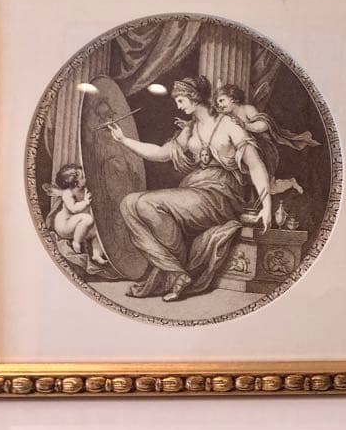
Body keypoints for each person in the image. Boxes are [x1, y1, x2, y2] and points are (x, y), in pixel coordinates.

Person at [106, 75, 273, 303]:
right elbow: (161, 153)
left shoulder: (229, 123)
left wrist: (266, 206)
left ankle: (176, 273)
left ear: (194, 98)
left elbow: (255, 164)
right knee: (129, 203)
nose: (178, 106)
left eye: (181, 100)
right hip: (195, 190)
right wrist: (123, 140)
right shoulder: (190, 129)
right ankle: (176, 271)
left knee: (146, 203)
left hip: (220, 195)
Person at [215, 84, 318, 197]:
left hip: (262, 149)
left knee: (269, 187)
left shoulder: (247, 109)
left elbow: (263, 125)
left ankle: (291, 183)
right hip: (243, 152)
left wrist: (245, 125)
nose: (219, 105)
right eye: (218, 103)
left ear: (233, 99)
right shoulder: (226, 116)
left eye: (221, 100)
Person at [43, 163, 108, 265]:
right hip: (64, 225)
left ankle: (97, 254)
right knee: (87, 219)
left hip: (77, 225)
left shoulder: (83, 190)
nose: (85, 177)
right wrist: (85, 202)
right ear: (75, 184)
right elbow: (73, 209)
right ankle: (76, 242)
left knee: (98, 233)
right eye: (82, 177)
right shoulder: (67, 194)